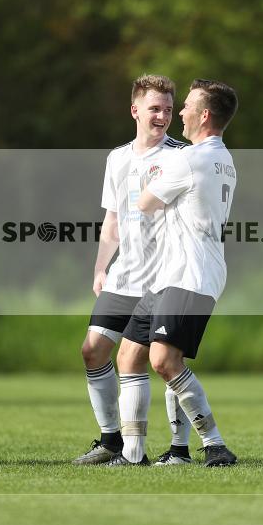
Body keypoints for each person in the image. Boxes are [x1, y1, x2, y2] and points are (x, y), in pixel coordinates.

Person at [111, 79, 239, 467]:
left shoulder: (189, 158)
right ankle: (135, 456)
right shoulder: (223, 158)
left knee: (165, 361)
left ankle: (213, 444)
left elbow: (146, 203)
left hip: (190, 272)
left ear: (204, 115)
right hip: (175, 273)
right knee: (130, 356)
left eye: (185, 106)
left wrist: (148, 173)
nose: (178, 113)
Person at [73, 74, 194, 466]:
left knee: (162, 361)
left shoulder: (181, 156)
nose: (163, 116)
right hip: (125, 275)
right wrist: (100, 267)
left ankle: (176, 448)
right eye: (155, 108)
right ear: (135, 110)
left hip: (165, 276)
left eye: (169, 109)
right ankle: (111, 441)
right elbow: (113, 219)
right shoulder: (118, 158)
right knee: (93, 351)